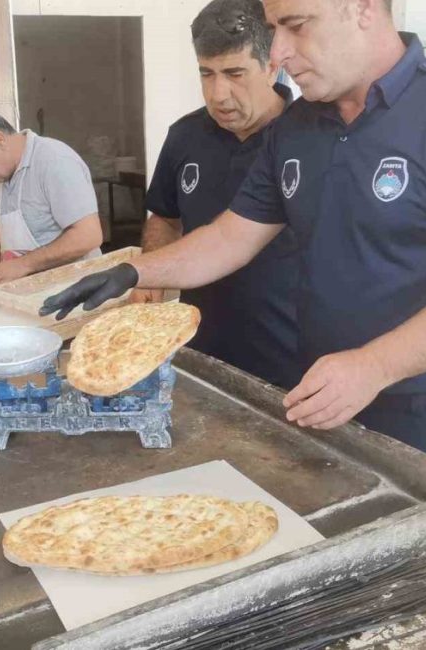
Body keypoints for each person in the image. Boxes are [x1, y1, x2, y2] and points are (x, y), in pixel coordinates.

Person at [42, 0, 426, 483]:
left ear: (363, 8)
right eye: (273, 28)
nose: (278, 52)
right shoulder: (300, 127)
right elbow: (230, 237)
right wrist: (134, 271)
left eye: (296, 25)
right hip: (320, 393)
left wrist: (374, 365)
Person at [131, 0, 301, 389]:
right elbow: (165, 217)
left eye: (234, 73)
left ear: (272, 63)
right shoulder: (184, 136)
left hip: (290, 364)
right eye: (206, 74)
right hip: (200, 348)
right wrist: (149, 278)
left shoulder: (308, 138)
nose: (219, 94)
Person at [0, 106, 104, 290]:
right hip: (36, 289)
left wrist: (23, 264)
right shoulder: (1, 173)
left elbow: (89, 236)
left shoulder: (55, 161)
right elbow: (1, 223)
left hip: (75, 288)